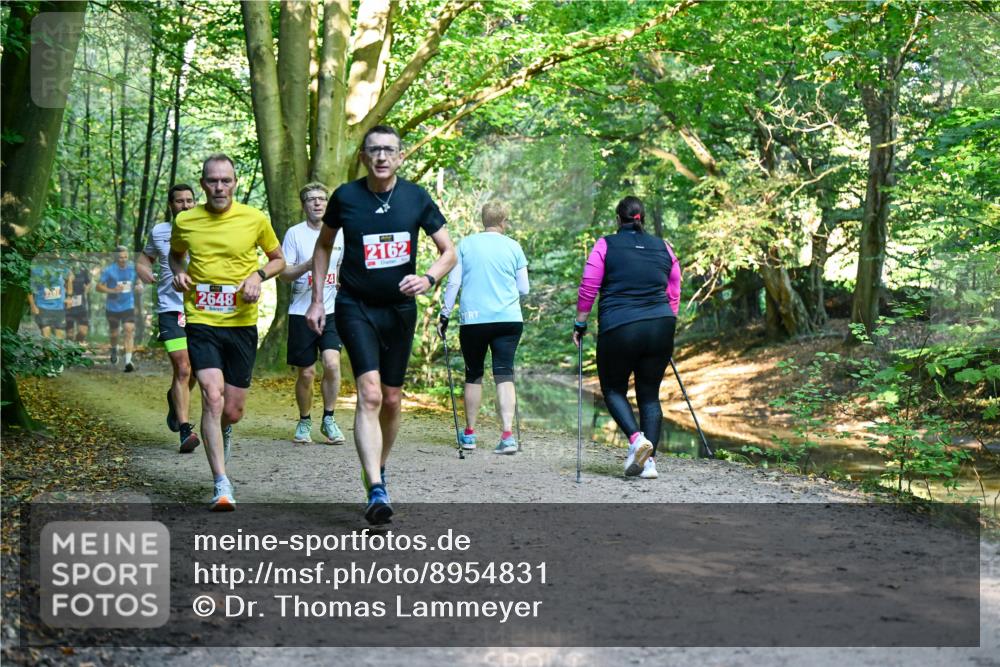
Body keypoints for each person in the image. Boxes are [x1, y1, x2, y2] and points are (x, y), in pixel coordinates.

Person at [306, 125, 456, 524]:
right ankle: (374, 487)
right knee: (369, 394)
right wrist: (319, 300)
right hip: (355, 304)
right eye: (374, 150)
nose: (382, 157)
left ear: (400, 156)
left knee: (392, 398)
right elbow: (323, 246)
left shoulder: (415, 197)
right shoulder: (346, 197)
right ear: (363, 156)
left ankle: (379, 468)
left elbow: (449, 251)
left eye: (389, 150)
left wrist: (428, 279)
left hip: (399, 310)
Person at [169, 153, 284, 511]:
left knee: (231, 411)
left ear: (234, 182)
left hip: (241, 323)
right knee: (212, 396)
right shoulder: (186, 220)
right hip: (202, 320)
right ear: (202, 184)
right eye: (212, 181)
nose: (219, 187)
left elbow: (278, 258)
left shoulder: (255, 219)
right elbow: (176, 256)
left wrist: (257, 276)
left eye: (226, 180)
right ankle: (221, 483)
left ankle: (224, 429)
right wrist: (179, 273)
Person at [572, 196, 681, 480]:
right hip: (661, 325)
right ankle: (649, 463)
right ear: (642, 218)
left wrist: (580, 323)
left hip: (620, 326)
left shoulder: (605, 244)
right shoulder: (664, 247)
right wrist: (668, 320)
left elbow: (589, 286)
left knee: (613, 389)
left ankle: (636, 441)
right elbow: (674, 286)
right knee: (649, 395)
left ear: (618, 220)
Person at [437, 201, 529, 455]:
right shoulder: (514, 246)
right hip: (508, 319)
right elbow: (524, 288)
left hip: (474, 319)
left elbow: (453, 282)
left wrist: (444, 314)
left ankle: (469, 435)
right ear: (504, 222)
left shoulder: (465, 244)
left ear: (483, 220)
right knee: (504, 374)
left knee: (474, 374)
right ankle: (508, 436)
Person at [280, 182, 347, 446]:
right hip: (301, 312)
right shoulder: (295, 234)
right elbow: (284, 274)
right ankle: (305, 419)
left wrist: (343, 282)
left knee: (332, 364)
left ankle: (329, 419)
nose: (317, 203)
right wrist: (310, 264)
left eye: (321, 199)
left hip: (331, 311)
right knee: (306, 373)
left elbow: (343, 266)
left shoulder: (340, 234)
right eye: (311, 199)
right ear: (304, 205)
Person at [137, 184, 200, 453]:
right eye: (179, 201)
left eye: (189, 201)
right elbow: (144, 258)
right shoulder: (160, 231)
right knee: (183, 368)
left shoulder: (206, 230)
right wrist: (143, 271)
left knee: (196, 370)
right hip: (170, 310)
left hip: (203, 311)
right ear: (170, 205)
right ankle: (185, 431)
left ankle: (175, 400)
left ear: (195, 203)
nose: (185, 205)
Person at [96, 246, 141, 371]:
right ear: (116, 257)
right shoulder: (109, 270)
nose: (124, 259)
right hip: (113, 306)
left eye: (126, 257)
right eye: (121, 257)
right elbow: (98, 287)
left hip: (128, 305)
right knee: (114, 334)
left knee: (129, 329)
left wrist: (139, 286)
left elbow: (138, 282)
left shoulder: (133, 268)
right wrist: (112, 290)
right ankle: (114, 349)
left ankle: (128, 361)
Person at [28, 260, 71, 339]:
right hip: (42, 306)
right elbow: (29, 289)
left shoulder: (61, 264)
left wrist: (69, 297)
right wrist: (33, 305)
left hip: (59, 307)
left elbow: (70, 278)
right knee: (46, 337)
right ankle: (46, 351)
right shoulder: (36, 268)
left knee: (60, 338)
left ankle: (57, 351)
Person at [64, 261, 92, 344]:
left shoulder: (82, 270)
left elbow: (89, 282)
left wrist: (86, 291)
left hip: (81, 304)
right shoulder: (62, 270)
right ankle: (70, 353)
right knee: (69, 333)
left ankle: (76, 346)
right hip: (68, 305)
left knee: (83, 332)